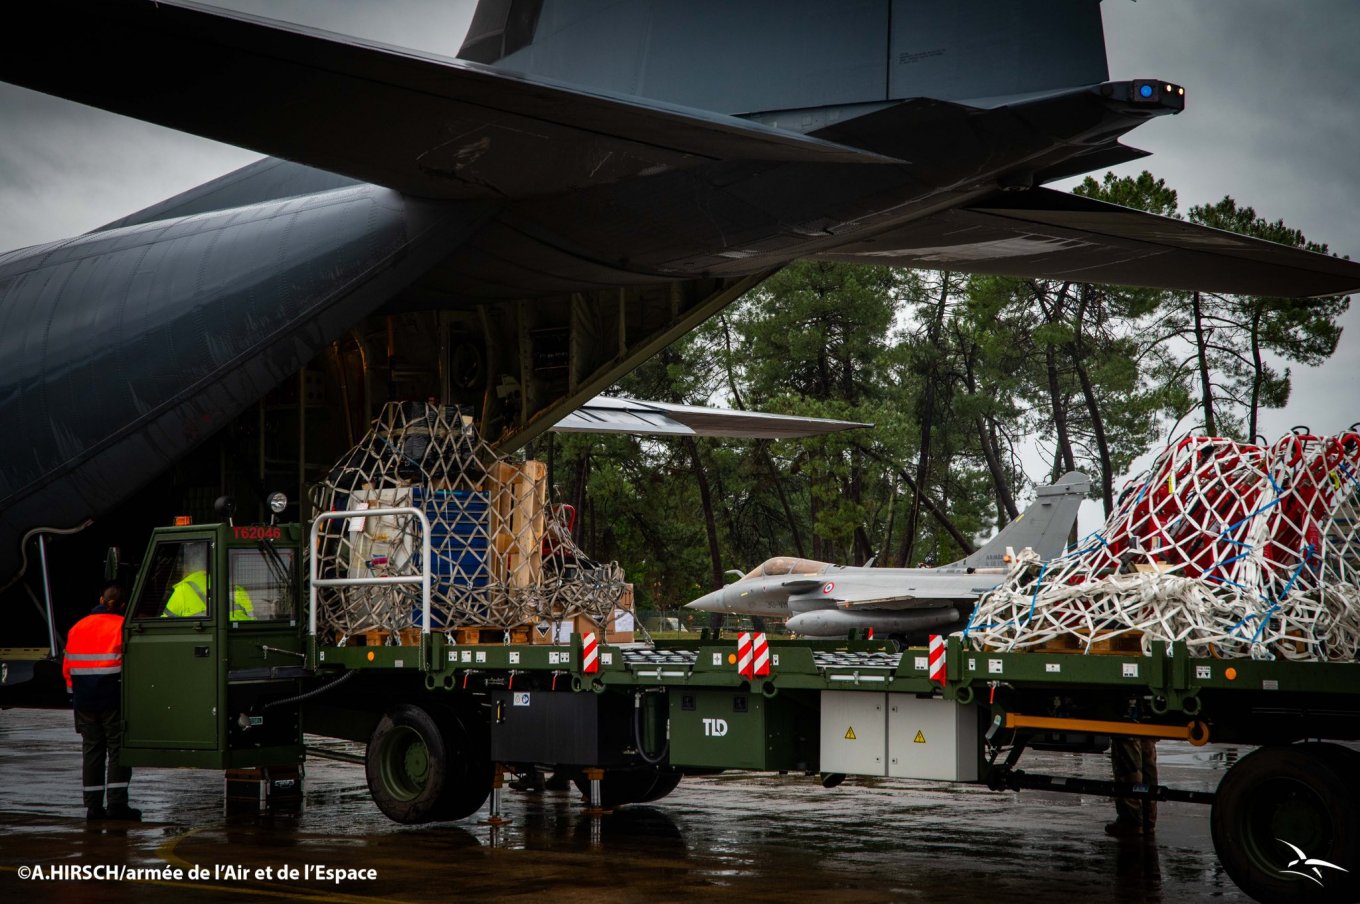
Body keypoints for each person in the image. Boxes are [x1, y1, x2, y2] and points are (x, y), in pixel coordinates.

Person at [63, 583, 141, 821]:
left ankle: (93, 807)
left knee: (92, 750)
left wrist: (72, 696)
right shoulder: (122, 626)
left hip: (84, 699)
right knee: (118, 750)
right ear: (124, 605)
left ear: (100, 599)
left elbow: (68, 667)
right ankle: (117, 804)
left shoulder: (78, 627)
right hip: (113, 697)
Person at [163, 550, 254, 620]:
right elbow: (251, 620)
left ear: (186, 568)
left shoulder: (183, 590)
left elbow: (163, 626)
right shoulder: (237, 588)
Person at [1107, 736, 1158, 839]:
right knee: (1148, 764)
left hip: (1129, 725)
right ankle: (1148, 822)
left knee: (1129, 768)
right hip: (1148, 725)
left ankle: (1131, 822)